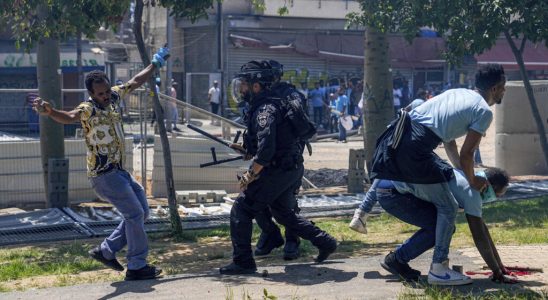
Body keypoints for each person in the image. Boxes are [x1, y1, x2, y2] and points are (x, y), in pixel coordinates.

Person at [32, 47, 170, 281]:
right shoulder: (87, 109)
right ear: (91, 94)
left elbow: (136, 81)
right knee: (134, 213)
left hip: (120, 172)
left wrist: (155, 63)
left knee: (142, 213)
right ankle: (137, 266)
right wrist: (49, 111)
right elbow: (68, 117)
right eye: (100, 94)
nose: (105, 96)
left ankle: (106, 251)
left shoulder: (115, 96)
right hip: (103, 175)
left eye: (106, 91)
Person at [364, 63, 506, 285]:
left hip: (399, 140)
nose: (504, 92)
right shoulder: (484, 111)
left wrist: (461, 171)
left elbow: (450, 144)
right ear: (496, 88)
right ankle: (439, 269)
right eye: (504, 87)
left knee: (441, 215)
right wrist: (472, 179)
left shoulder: (457, 93)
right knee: (448, 207)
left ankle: (404, 260)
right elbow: (468, 154)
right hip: (414, 148)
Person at [219, 60, 337, 275]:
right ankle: (325, 242)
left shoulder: (265, 109)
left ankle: (243, 262)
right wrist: (248, 151)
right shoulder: (271, 104)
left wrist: (249, 175)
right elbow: (274, 143)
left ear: (256, 86)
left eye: (244, 84)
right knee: (284, 214)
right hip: (289, 169)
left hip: (277, 171)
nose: (241, 90)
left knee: (242, 210)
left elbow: (266, 152)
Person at [350, 167, 514, 285]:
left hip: (390, 187)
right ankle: (397, 260)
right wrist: (497, 273)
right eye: (497, 194)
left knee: (443, 226)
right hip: (393, 194)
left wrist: (499, 266)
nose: (495, 198)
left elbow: (483, 230)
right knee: (441, 228)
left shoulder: (469, 174)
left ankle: (397, 260)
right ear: (489, 185)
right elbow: (479, 237)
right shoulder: (473, 194)